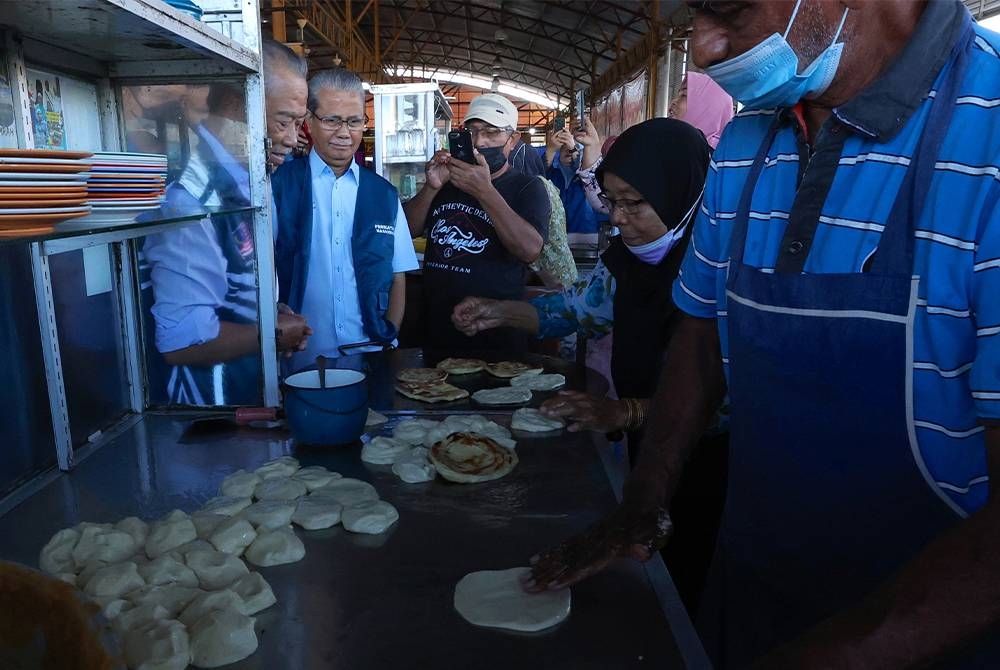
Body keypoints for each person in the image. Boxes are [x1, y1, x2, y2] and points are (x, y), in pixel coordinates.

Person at [527, 1, 1000, 667]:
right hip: (751, 588)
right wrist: (645, 495)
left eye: (729, 10)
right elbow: (699, 331)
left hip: (921, 635)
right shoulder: (752, 137)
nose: (702, 48)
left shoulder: (986, 134)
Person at [453, 118, 723, 612]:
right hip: (649, 452)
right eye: (611, 201)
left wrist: (627, 413)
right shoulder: (626, 260)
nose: (617, 218)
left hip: (716, 466)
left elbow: (738, 396)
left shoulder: (725, 269)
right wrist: (500, 311)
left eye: (633, 203)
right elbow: (581, 310)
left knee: (692, 579)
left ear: (679, 191)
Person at [142, 40, 312, 405]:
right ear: (240, 105)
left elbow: (237, 287)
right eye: (284, 121)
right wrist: (270, 333)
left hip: (252, 395)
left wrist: (270, 314)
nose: (292, 139)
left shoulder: (254, 179)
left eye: (298, 124)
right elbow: (182, 341)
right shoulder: (190, 198)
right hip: (207, 416)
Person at [272, 68, 418, 372]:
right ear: (309, 121)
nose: (344, 132)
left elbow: (398, 274)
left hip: (369, 353)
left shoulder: (383, 194)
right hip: (297, 359)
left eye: (354, 121)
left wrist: (388, 333)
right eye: (332, 120)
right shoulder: (279, 186)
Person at [403, 93, 550, 353]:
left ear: (512, 140)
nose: (480, 141)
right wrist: (431, 188)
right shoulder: (448, 182)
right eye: (473, 131)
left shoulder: (527, 187)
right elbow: (403, 234)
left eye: (492, 132)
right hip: (436, 328)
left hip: (495, 334)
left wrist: (485, 191)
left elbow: (529, 250)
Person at [540, 123, 601, 235]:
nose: (568, 151)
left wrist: (573, 148)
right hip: (555, 236)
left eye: (575, 149)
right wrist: (551, 149)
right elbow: (540, 174)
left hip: (585, 233)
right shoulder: (552, 174)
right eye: (564, 148)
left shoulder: (585, 175)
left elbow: (582, 170)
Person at [669, 71, 734, 149]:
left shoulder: (714, 156)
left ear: (708, 107)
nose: (673, 102)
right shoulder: (674, 144)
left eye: (683, 95)